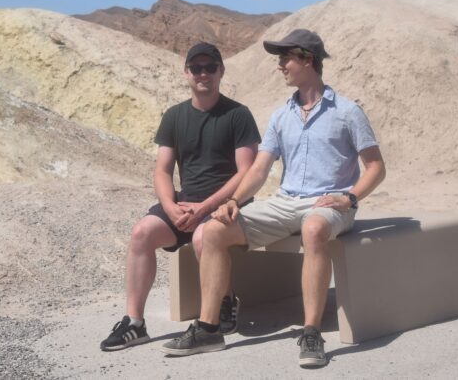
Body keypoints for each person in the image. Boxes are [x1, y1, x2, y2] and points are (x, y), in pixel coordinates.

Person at [161, 29, 386, 368]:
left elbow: (376, 167)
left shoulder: (347, 111)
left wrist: (350, 197)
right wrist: (234, 200)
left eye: (285, 58)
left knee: (313, 228)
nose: (280, 65)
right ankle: (209, 329)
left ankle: (311, 333)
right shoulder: (282, 115)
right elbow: (258, 169)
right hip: (285, 202)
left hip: (329, 204)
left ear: (307, 60)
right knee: (214, 231)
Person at [100, 42, 261, 351]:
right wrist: (170, 207)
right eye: (196, 68)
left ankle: (223, 303)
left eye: (210, 67)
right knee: (142, 233)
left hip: (226, 206)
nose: (203, 74)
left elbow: (246, 172)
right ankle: (134, 323)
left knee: (204, 238)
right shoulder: (174, 116)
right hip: (185, 203)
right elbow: (162, 170)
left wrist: (206, 206)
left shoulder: (238, 115)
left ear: (221, 71)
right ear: (186, 72)